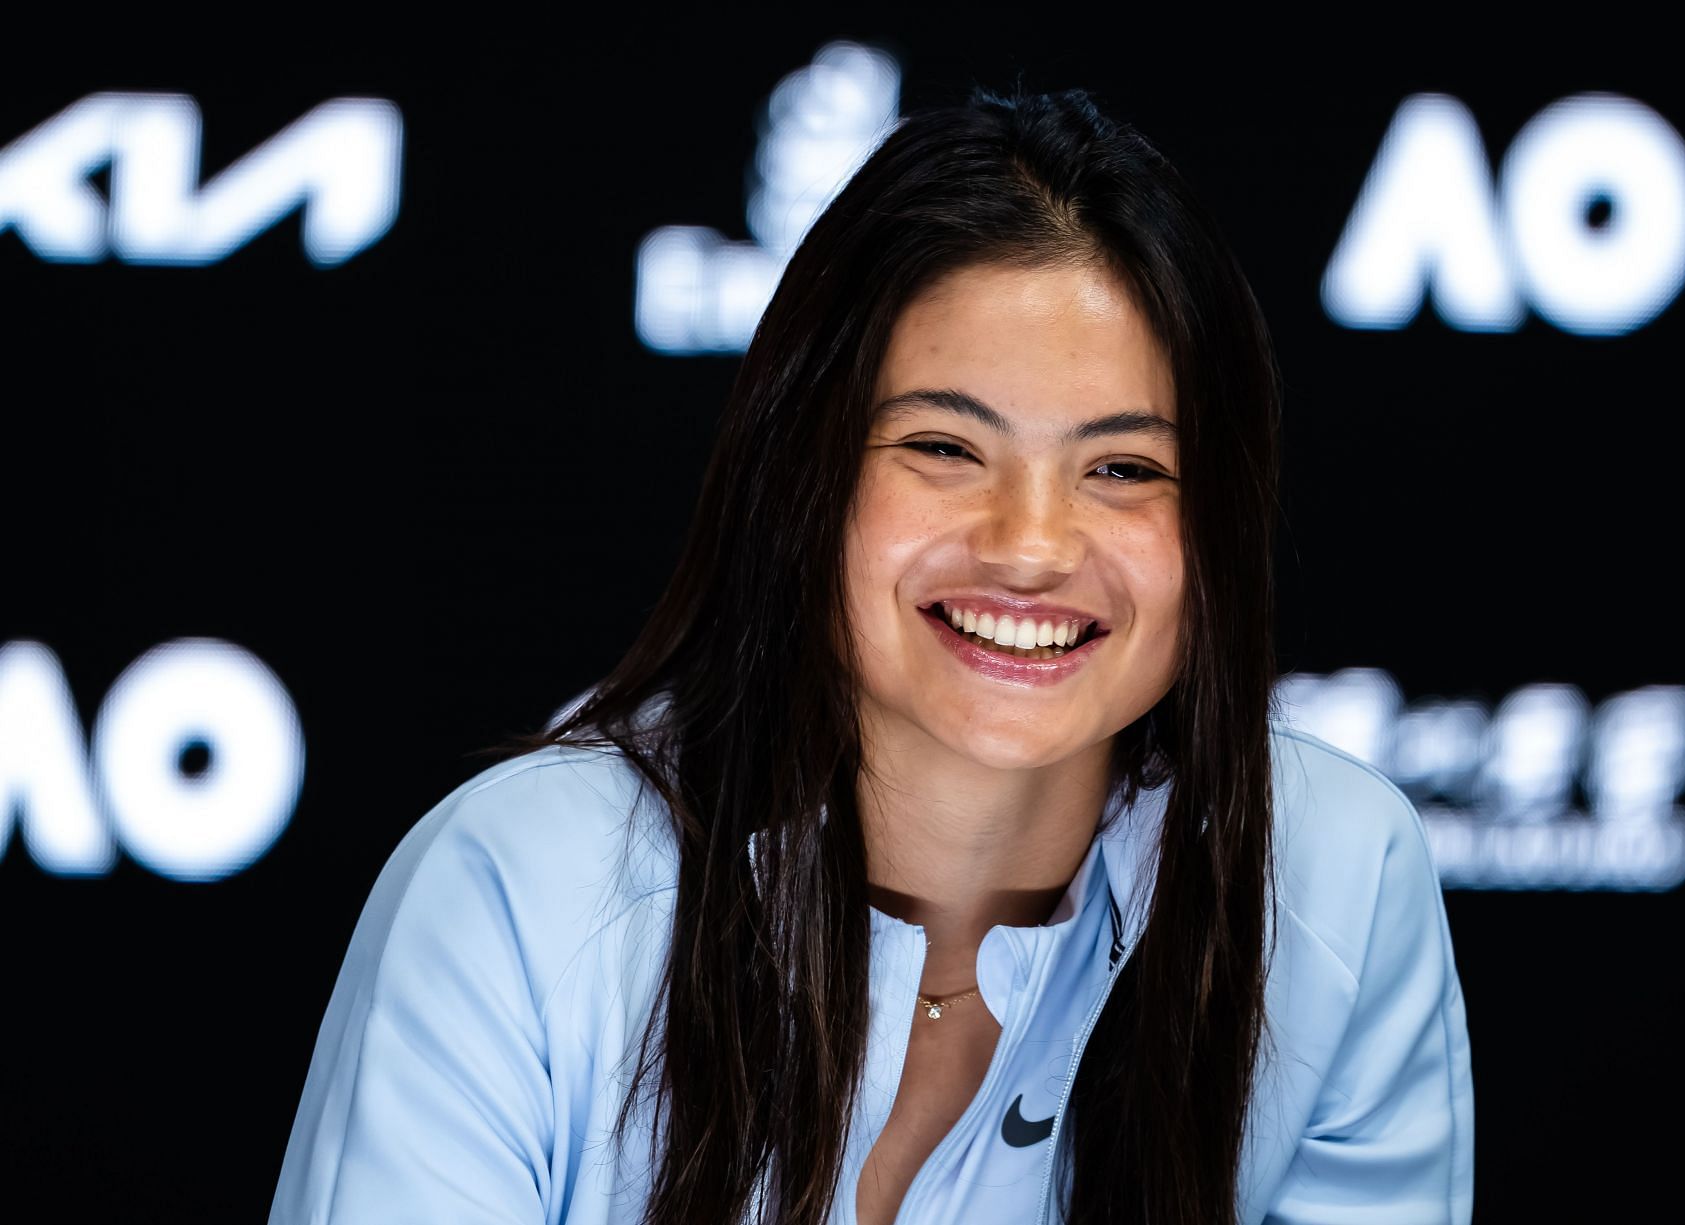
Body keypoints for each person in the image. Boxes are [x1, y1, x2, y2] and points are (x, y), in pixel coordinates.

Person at [268, 83, 1473, 1225]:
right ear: (804, 476)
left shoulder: (1333, 881)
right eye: (946, 447)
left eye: (1123, 469)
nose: (1033, 545)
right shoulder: (520, 889)